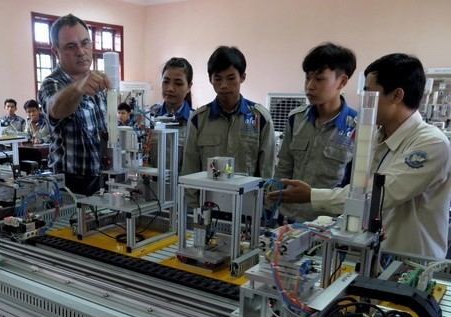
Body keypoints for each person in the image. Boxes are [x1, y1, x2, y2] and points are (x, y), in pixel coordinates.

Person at [267, 53, 451, 258]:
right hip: (369, 254)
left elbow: (378, 196)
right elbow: (358, 189)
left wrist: (312, 195)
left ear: (396, 96)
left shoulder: (431, 143)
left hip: (408, 262)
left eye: (370, 95)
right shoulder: (376, 137)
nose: (365, 104)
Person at [271, 42, 357, 224]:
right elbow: (284, 166)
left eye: (319, 79)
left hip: (327, 225)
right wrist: (271, 206)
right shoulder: (296, 119)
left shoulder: (357, 128)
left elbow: (355, 187)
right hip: (287, 220)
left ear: (342, 81)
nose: (309, 86)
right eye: (307, 78)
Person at [38, 14, 111, 196]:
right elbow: (55, 108)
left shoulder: (98, 80)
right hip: (70, 186)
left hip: (104, 180)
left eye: (85, 43)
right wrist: (78, 87)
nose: (81, 51)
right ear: (56, 52)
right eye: (71, 47)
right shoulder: (52, 83)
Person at [181, 46, 275, 181]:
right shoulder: (198, 119)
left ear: (242, 77)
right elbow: (189, 170)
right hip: (207, 199)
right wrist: (193, 203)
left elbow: (267, 171)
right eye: (218, 79)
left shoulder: (260, 118)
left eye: (231, 78)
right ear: (210, 79)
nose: (224, 85)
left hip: (246, 199)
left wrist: (263, 200)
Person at [149, 57, 194, 172]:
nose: (170, 88)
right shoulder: (149, 118)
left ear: (189, 86)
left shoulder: (195, 121)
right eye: (166, 82)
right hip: (152, 186)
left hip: (183, 187)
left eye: (178, 83)